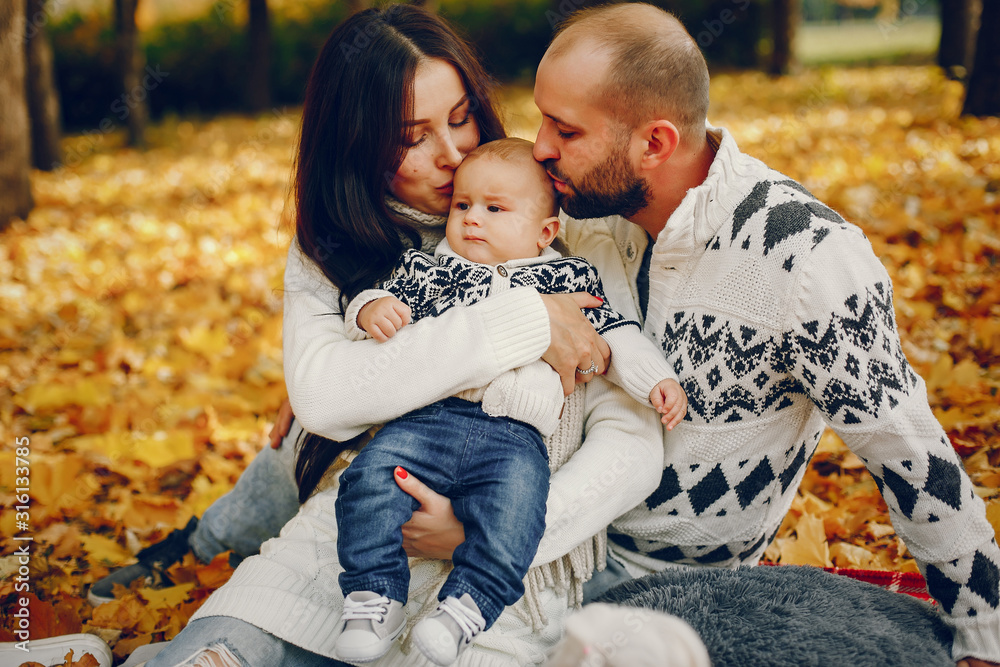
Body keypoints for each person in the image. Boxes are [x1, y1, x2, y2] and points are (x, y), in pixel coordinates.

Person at [137, 5, 664, 667]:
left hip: (506, 577)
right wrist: (529, 321)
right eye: (412, 138)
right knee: (212, 653)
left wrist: (485, 531)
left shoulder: (563, 218)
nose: (454, 155)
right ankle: (186, 563)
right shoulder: (333, 247)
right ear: (355, 144)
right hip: (349, 543)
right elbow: (326, 399)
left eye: (461, 117)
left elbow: (633, 437)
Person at [523, 4, 1000, 666]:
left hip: (682, 596)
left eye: (565, 129)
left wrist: (982, 632)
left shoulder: (807, 259)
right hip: (528, 551)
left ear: (655, 143)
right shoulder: (570, 215)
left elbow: (909, 452)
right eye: (542, 119)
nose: (539, 146)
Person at [334, 137, 685, 664]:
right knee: (368, 481)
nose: (472, 218)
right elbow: (373, 299)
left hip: (516, 438)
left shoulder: (568, 278)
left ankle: (467, 608)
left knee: (517, 516)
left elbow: (616, 334)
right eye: (462, 205)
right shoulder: (430, 270)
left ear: (544, 232)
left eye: (494, 209)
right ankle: (373, 595)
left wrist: (654, 379)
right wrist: (369, 310)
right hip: (428, 424)